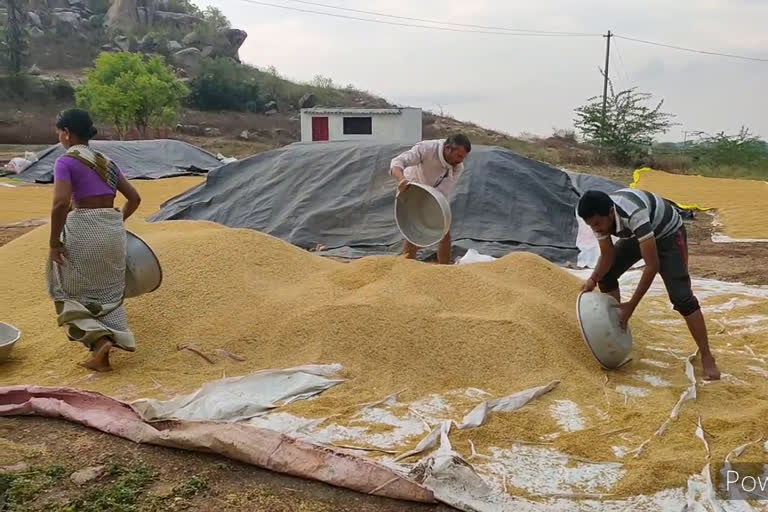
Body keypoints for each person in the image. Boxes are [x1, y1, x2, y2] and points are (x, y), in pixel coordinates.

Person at [577, 188, 720, 380]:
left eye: (598, 224)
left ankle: (707, 356)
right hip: (642, 236)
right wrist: (592, 279)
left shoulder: (633, 213)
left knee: (682, 297)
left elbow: (652, 266)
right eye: (591, 225)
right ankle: (616, 330)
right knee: (606, 275)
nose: (596, 229)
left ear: (611, 213)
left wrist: (631, 307)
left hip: (668, 233)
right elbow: (607, 254)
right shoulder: (599, 219)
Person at [47, 109, 141, 372]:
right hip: (111, 230)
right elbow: (134, 199)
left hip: (83, 229)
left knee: (64, 288)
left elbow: (60, 204)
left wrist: (54, 243)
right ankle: (104, 352)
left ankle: (99, 341)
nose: (59, 137)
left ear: (66, 133)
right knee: (108, 290)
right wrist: (115, 222)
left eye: (59, 132)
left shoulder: (66, 161)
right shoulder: (107, 163)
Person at [389, 134, 471, 264]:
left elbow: (442, 192)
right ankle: (406, 267)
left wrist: (429, 212)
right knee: (413, 230)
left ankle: (444, 269)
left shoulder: (457, 167)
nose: (461, 160)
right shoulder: (427, 148)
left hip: (433, 193)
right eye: (459, 156)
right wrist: (401, 180)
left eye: (464, 157)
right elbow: (397, 162)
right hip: (411, 189)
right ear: (448, 149)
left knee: (444, 228)